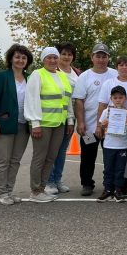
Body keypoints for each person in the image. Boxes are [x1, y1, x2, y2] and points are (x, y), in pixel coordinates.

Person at [24, 47, 75, 203]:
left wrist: (70, 119)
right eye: (49, 58)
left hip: (59, 123)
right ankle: (35, 190)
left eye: (55, 57)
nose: (53, 60)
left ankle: (43, 187)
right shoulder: (37, 74)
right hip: (43, 124)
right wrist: (35, 123)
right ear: (43, 59)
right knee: (40, 157)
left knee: (51, 157)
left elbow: (67, 100)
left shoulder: (62, 76)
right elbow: (31, 99)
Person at [0, 44, 33, 205]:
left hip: (23, 125)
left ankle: (9, 191)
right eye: (17, 57)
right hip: (5, 124)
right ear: (11, 58)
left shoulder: (30, 77)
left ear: (27, 61)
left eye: (24, 57)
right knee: (2, 160)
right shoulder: (2, 76)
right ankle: (1, 193)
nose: (20, 60)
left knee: (15, 160)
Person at [72, 43, 118, 196]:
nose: (101, 59)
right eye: (98, 56)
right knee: (88, 156)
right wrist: (81, 122)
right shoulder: (85, 76)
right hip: (90, 127)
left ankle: (110, 184)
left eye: (104, 56)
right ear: (92, 58)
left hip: (110, 127)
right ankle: (87, 184)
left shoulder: (114, 74)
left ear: (108, 58)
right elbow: (79, 101)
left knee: (110, 156)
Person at [97, 56, 127, 195]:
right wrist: (102, 126)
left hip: (123, 143)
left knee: (121, 168)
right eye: (121, 65)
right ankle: (107, 188)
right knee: (108, 167)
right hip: (109, 143)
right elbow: (101, 123)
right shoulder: (107, 111)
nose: (124, 67)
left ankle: (119, 189)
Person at [47, 41, 81, 194]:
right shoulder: (53, 71)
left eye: (70, 54)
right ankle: (49, 182)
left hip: (72, 116)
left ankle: (58, 180)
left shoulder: (77, 73)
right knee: (51, 150)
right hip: (56, 115)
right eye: (64, 53)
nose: (67, 57)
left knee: (61, 150)